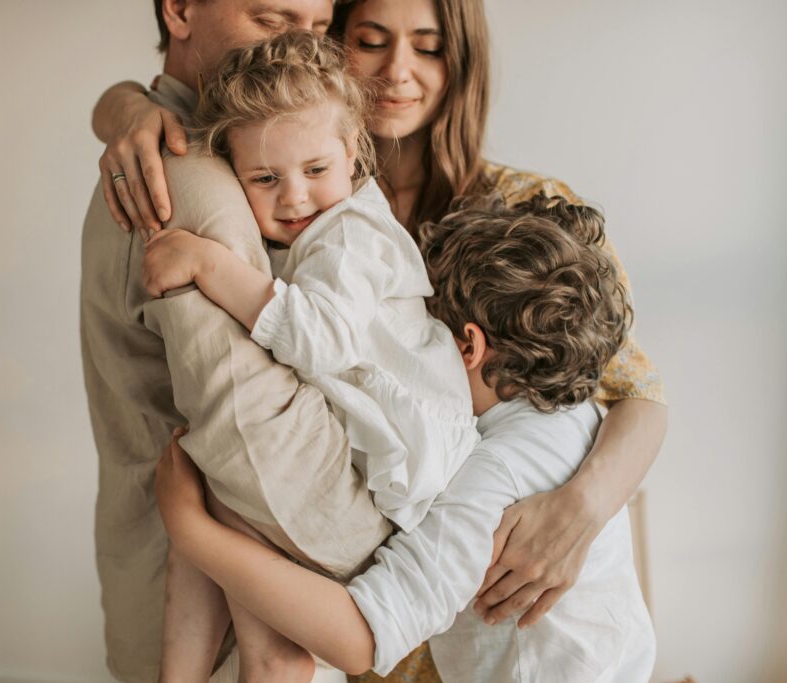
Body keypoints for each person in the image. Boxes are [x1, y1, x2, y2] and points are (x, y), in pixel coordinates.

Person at [93, 1, 667, 678]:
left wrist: (582, 508)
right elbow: (176, 102)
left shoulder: (519, 211)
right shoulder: (281, 184)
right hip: (378, 609)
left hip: (441, 592)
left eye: (428, 47)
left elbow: (638, 395)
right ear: (330, 50)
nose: (398, 71)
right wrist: (120, 105)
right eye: (370, 40)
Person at [154, 193, 657, 682]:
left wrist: (191, 530)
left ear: (466, 346)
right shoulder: (582, 416)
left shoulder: (491, 476)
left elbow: (361, 638)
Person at [141, 31, 480, 680]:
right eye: (265, 179)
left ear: (352, 152)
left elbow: (317, 336)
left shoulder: (352, 235)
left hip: (412, 475)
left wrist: (210, 263)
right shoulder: (318, 222)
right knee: (214, 492)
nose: (293, 197)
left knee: (226, 498)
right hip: (376, 450)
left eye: (315, 171)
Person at [80, 2, 399, 681]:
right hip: (227, 621)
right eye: (271, 19)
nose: (298, 50)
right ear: (181, 9)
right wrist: (411, 561)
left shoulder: (229, 153)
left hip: (186, 590)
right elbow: (258, 442)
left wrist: (119, 104)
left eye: (317, 29)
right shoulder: (192, 180)